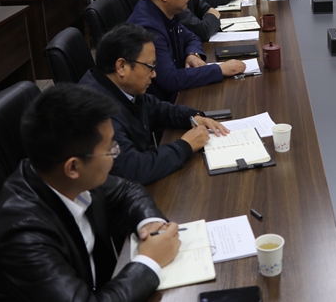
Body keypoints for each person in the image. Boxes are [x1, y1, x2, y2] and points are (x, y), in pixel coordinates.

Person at [0, 84, 181, 302]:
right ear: (73, 167)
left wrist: (149, 223)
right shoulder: (23, 235)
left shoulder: (62, 175)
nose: (115, 155)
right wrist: (149, 261)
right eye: (109, 150)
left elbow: (127, 189)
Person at [78, 23, 230, 185]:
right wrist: (185, 145)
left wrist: (191, 117)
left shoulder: (119, 86)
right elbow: (133, 170)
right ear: (121, 67)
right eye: (150, 67)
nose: (154, 74)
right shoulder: (98, 114)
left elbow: (156, 109)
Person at [127, 0, 245, 101]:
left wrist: (192, 54)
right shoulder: (147, 28)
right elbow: (170, 80)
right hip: (162, 103)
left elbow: (192, 37)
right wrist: (219, 70)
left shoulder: (166, 12)